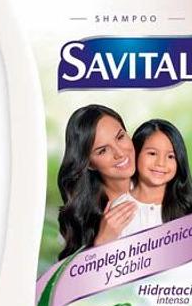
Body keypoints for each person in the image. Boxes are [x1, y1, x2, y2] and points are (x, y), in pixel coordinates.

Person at [57, 105, 137, 259]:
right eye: (103, 150)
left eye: (120, 137)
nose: (120, 153)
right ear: (89, 164)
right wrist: (102, 243)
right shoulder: (78, 221)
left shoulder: (166, 190)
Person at [120, 119, 192, 236]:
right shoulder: (119, 208)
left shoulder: (187, 204)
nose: (161, 163)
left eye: (170, 156)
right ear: (135, 153)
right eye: (152, 153)